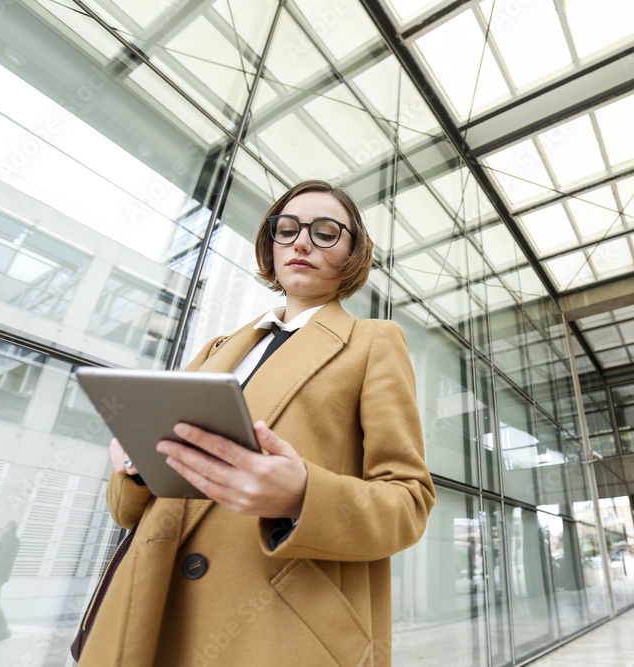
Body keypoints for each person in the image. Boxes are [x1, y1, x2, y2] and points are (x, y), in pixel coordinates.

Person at [78, 180, 435, 666]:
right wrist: (136, 463)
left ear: (354, 252)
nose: (302, 242)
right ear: (271, 245)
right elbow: (126, 513)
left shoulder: (374, 341)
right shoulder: (217, 350)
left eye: (326, 232)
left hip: (278, 627)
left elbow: (408, 501)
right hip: (152, 608)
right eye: (286, 230)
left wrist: (303, 496)